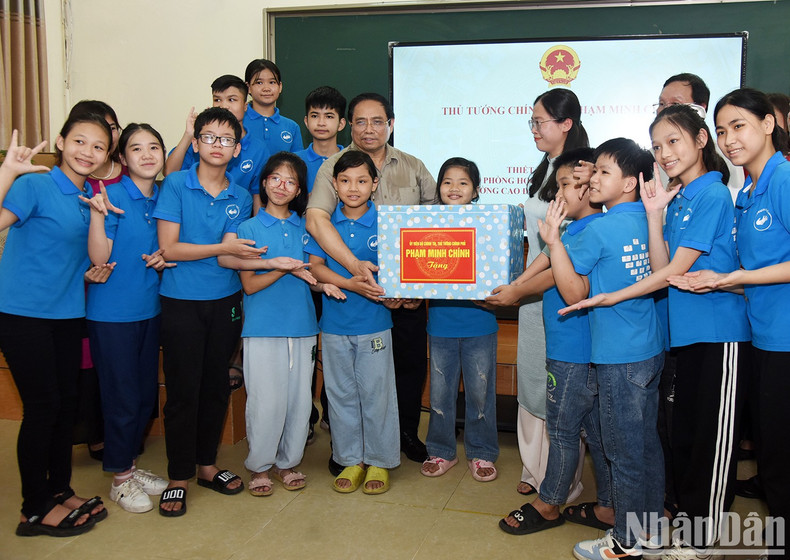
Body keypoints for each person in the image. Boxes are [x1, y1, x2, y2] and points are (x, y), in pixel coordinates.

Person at [566, 105, 751, 556]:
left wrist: (615, 295)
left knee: (705, 447)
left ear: (702, 139)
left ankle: (697, 541)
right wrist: (653, 214)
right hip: (682, 337)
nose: (664, 153)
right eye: (657, 146)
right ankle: (657, 533)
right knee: (674, 444)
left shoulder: (712, 195)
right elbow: (661, 266)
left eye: (674, 141)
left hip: (718, 334)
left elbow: (671, 272)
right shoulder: (680, 197)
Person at [668, 88, 790, 560]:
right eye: (721, 130)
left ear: (768, 124)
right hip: (762, 338)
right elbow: (758, 275)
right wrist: (722, 282)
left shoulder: (781, 178)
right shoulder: (748, 194)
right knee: (772, 457)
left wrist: (733, 276)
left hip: (783, 340)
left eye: (739, 125)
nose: (729, 138)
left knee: (780, 458)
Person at [543, 138, 664, 559]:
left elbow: (574, 292)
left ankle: (625, 543)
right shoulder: (649, 222)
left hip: (616, 356)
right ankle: (650, 530)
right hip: (648, 348)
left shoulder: (599, 228)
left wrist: (554, 242)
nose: (592, 179)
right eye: (593, 171)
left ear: (630, 182)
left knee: (622, 452)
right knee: (646, 445)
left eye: (603, 173)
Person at [306, 92, 436, 465]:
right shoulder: (334, 166)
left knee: (407, 366)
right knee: (345, 377)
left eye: (377, 121)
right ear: (349, 124)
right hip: (353, 292)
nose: (368, 129)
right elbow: (317, 220)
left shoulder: (413, 167)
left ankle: (405, 434)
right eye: (360, 121)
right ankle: (346, 449)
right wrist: (356, 270)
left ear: (390, 124)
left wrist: (413, 291)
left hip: (406, 295)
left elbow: (436, 229)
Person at [0, 117, 113, 537]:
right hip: (22, 314)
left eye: (99, 146)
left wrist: (98, 218)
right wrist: (8, 171)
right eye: (79, 141)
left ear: (106, 156)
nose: (87, 151)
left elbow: (95, 260)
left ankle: (60, 489)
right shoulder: (36, 184)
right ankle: (34, 507)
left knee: (66, 408)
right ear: (62, 142)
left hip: (67, 315)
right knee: (43, 408)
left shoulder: (90, 195)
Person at [496, 147, 612, 536]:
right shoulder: (573, 228)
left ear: (594, 187)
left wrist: (515, 294)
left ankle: (548, 504)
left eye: (569, 185)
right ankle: (608, 506)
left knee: (563, 431)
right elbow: (544, 260)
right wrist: (514, 286)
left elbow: (551, 276)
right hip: (577, 348)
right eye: (558, 184)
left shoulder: (590, 231)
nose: (559, 194)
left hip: (571, 350)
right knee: (596, 432)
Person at [153, 107, 256, 517]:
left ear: (237, 148)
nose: (218, 145)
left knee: (216, 384)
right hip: (180, 301)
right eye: (209, 138)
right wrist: (220, 248)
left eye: (226, 139)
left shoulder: (242, 195)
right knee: (182, 389)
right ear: (195, 144)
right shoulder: (176, 184)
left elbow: (233, 256)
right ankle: (178, 476)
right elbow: (170, 249)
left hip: (226, 301)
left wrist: (225, 251)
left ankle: (207, 466)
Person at [229, 152, 339, 497]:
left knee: (298, 401)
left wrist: (327, 284)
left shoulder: (306, 226)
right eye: (275, 178)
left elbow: (312, 275)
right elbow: (248, 285)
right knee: (266, 399)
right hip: (262, 328)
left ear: (298, 191)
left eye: (290, 181)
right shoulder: (246, 227)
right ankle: (259, 466)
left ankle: (287, 462)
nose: (281, 186)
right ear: (264, 182)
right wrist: (280, 267)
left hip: (304, 326)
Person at [82, 123, 172, 513]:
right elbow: (101, 259)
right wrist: (99, 218)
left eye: (154, 147)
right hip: (112, 314)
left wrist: (164, 258)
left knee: (142, 396)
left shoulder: (164, 199)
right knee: (121, 398)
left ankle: (129, 467)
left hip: (149, 311)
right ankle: (119, 478)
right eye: (136, 149)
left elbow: (170, 248)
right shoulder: (110, 196)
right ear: (122, 158)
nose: (147, 155)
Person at [306, 150, 403, 494]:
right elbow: (315, 268)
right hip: (333, 326)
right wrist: (348, 282)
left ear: (374, 184)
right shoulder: (325, 222)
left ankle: (380, 460)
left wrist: (397, 294)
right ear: (334, 184)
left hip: (375, 324)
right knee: (340, 393)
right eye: (345, 181)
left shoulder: (387, 222)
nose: (353, 188)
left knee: (376, 395)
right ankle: (350, 458)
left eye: (362, 181)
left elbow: (398, 273)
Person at [514, 88, 589, 498]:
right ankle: (534, 468)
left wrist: (520, 286)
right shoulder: (544, 167)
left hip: (562, 290)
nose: (534, 129)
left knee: (560, 382)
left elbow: (568, 241)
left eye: (539, 121)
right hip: (532, 290)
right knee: (531, 378)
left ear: (566, 124)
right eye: (532, 121)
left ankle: (562, 478)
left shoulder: (581, 168)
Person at [420, 157, 499, 482]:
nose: (454, 188)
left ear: (477, 190)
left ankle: (482, 453)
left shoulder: (488, 224)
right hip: (441, 324)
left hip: (480, 323)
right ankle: (441, 450)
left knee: (481, 393)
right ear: (438, 188)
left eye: (463, 182)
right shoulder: (426, 224)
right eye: (447, 182)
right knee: (439, 394)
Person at [164, 74, 270, 213]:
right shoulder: (203, 138)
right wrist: (189, 134)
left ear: (245, 106)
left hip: (234, 216)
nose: (224, 106)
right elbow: (169, 172)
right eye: (217, 99)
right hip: (193, 212)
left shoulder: (259, 149)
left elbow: (258, 197)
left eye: (232, 99)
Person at [243, 58, 303, 154]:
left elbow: (296, 165)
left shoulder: (291, 127)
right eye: (259, 82)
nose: (266, 88)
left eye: (272, 82)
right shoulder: (238, 122)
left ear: (280, 87)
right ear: (248, 87)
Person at [294, 86, 347, 191]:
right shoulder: (294, 162)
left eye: (329, 116)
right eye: (314, 116)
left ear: (341, 124)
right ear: (306, 121)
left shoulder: (352, 161)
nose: (321, 123)